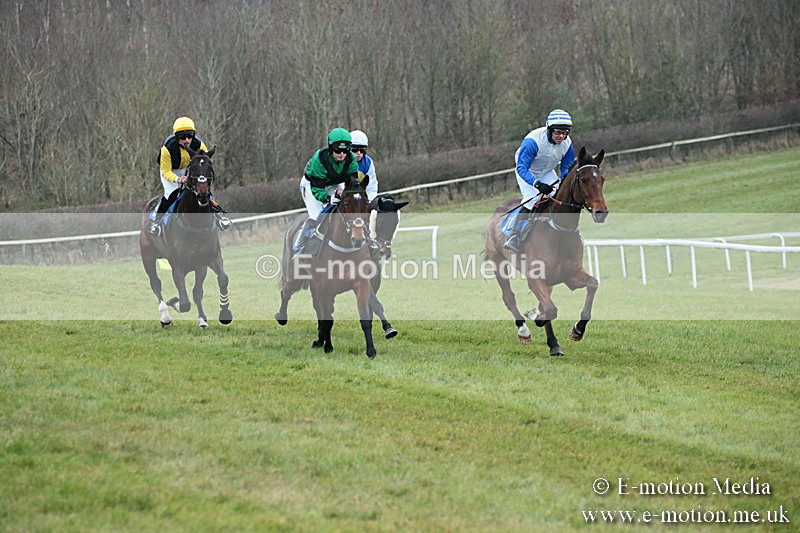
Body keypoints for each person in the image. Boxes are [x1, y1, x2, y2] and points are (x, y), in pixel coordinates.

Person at [503, 108, 575, 253]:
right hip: (527, 172)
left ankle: (563, 231)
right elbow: (522, 168)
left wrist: (564, 181)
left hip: (547, 171)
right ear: (549, 129)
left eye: (565, 132)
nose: (561, 136)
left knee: (560, 197)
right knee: (532, 200)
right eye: (558, 132)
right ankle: (515, 236)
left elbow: (566, 167)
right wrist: (537, 184)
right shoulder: (533, 142)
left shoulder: (567, 144)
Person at [149, 116, 231, 237]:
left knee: (204, 191)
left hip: (189, 169)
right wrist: (178, 179)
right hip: (171, 171)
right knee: (171, 195)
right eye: (183, 137)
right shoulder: (167, 148)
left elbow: (204, 163)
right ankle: (156, 223)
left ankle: (219, 218)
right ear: (177, 137)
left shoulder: (199, 144)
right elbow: (166, 171)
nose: (187, 140)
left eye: (190, 136)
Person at [293, 127, 360, 254]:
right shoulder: (320, 159)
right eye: (337, 150)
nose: (342, 154)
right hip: (312, 184)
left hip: (334, 184)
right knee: (317, 215)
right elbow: (317, 189)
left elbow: (352, 185)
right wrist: (329, 198)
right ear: (330, 148)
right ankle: (299, 246)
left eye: (345, 150)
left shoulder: (351, 159)